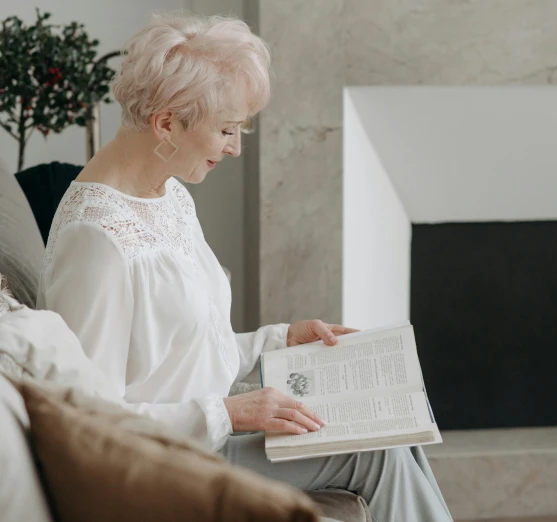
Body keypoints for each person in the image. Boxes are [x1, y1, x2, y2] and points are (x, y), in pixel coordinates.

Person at [37, 13, 452, 522]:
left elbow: (179, 351)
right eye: (226, 130)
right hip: (170, 460)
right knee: (375, 453)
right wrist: (228, 413)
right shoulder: (96, 239)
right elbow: (87, 422)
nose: (235, 147)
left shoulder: (167, 194)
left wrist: (278, 339)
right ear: (166, 123)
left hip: (209, 430)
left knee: (394, 432)